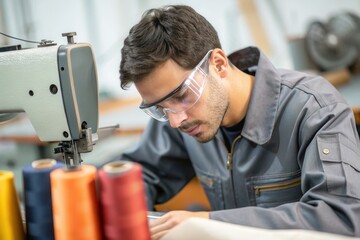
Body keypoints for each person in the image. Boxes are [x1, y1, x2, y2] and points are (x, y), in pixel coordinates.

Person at [119, 4, 360, 239]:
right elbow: (138, 177)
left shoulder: (314, 109)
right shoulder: (181, 117)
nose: (174, 121)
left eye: (182, 95)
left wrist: (209, 223)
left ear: (219, 64)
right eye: (160, 108)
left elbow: (341, 219)